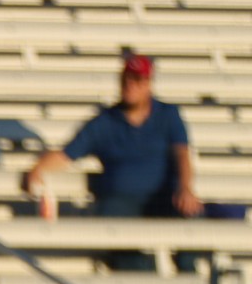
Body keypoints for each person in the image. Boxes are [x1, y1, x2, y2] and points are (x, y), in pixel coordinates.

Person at [21, 52, 202, 272]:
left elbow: (182, 154)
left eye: (136, 80)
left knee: (192, 223)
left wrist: (185, 188)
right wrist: (38, 168)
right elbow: (67, 154)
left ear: (148, 84)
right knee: (118, 236)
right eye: (125, 79)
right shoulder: (104, 121)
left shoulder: (168, 114)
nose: (129, 85)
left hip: (162, 198)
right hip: (120, 201)